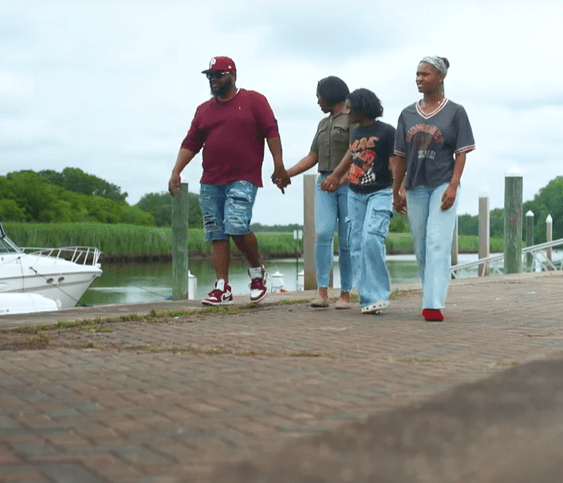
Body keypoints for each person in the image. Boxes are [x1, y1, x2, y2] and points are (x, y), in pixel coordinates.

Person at [169, 56, 290, 306]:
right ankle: (222, 287)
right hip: (211, 180)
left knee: (236, 224)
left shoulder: (254, 100)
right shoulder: (203, 110)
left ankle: (258, 273)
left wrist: (278, 164)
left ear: (233, 75)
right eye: (209, 76)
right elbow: (191, 143)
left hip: (243, 177)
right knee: (216, 232)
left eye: (218, 75)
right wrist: (176, 171)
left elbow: (271, 130)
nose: (213, 80)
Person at [391, 56, 475, 322]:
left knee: (438, 242)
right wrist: (397, 190)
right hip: (415, 186)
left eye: (424, 74)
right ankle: (431, 295)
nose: (419, 79)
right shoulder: (407, 114)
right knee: (421, 246)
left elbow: (461, 154)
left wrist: (453, 186)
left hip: (442, 183)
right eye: (417, 74)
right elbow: (400, 158)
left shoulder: (456, 112)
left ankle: (433, 304)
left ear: (440, 77)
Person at [276, 76, 354, 309]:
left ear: (330, 95)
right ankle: (322, 292)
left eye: (319, 96)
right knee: (323, 233)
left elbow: (356, 154)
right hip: (325, 184)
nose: (318, 101)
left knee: (347, 240)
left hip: (348, 185)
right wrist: (287, 173)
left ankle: (346, 294)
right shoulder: (323, 123)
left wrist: (340, 179)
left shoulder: (353, 120)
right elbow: (313, 156)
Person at [321, 88, 395, 314]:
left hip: (380, 192)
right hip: (355, 193)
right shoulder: (355, 133)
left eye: (351, 108)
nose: (347, 112)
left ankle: (380, 295)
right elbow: (350, 156)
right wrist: (335, 176)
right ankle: (368, 298)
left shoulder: (387, 131)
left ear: (362, 108)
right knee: (355, 245)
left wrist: (401, 189)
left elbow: (395, 162)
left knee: (371, 238)